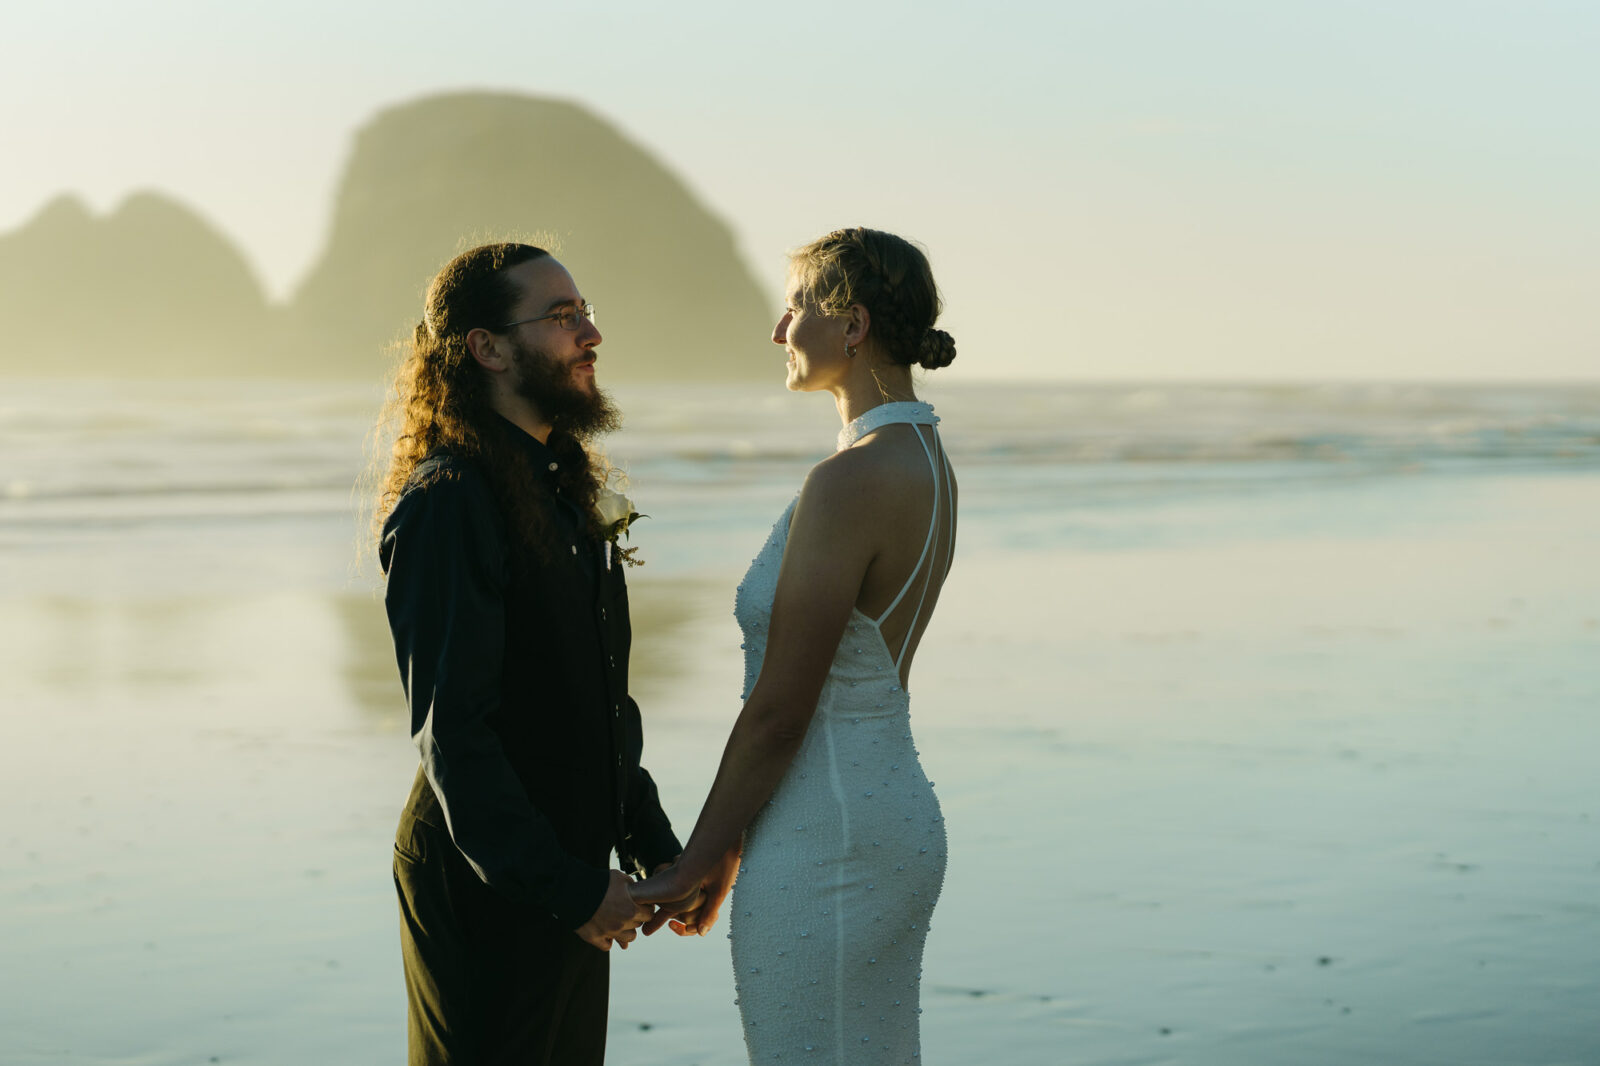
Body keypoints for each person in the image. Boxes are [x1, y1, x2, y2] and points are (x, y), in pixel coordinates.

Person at [631, 227, 959, 1062]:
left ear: (851, 326)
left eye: (795, 308)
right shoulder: (923, 458)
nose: (780, 331)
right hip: (880, 811)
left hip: (828, 832)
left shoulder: (850, 481)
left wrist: (694, 861)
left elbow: (781, 708)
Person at [374, 242, 693, 1065]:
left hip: (569, 862)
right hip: (492, 878)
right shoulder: (449, 504)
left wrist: (654, 843)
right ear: (486, 347)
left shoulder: (563, 487)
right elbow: (456, 736)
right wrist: (572, 890)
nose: (589, 333)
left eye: (585, 313)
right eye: (560, 318)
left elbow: (597, 702)